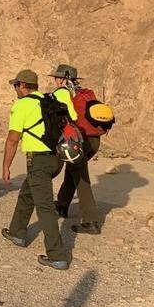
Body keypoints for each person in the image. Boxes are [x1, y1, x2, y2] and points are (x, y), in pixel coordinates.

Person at [1, 69, 77, 270]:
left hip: (39, 162)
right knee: (28, 193)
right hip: (56, 159)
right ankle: (17, 232)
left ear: (23, 86)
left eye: (16, 85)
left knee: (45, 208)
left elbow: (13, 139)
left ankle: (57, 256)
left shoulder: (22, 105)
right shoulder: (46, 100)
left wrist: (6, 166)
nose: (15, 89)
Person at [49, 64, 103, 234]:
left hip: (79, 141)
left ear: (64, 79)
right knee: (73, 170)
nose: (55, 81)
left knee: (80, 177)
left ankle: (91, 221)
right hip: (94, 140)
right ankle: (62, 205)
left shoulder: (64, 94)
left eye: (57, 78)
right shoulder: (86, 93)